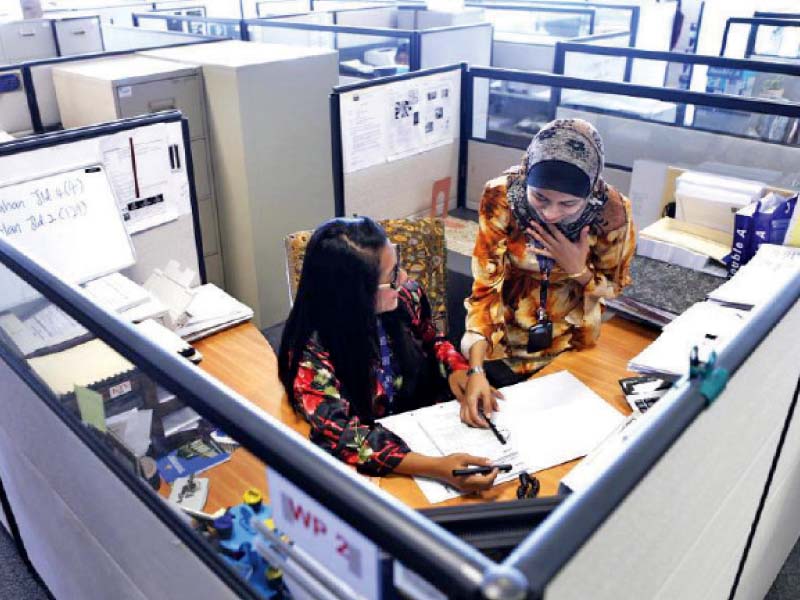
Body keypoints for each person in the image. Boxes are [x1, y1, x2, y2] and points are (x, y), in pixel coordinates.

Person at [278, 217, 499, 492]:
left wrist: (458, 367)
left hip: (426, 424)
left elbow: (433, 339)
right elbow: (345, 435)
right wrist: (436, 468)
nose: (404, 279)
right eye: (392, 276)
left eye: (399, 266)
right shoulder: (310, 352)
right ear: (354, 294)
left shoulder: (407, 297)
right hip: (386, 466)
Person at [461, 118, 636, 427]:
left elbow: (614, 290)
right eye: (540, 197)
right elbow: (484, 290)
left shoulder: (613, 214)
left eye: (568, 203)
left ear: (591, 188)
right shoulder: (501, 197)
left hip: (571, 345)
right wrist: (475, 369)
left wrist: (578, 270)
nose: (551, 213)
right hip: (504, 346)